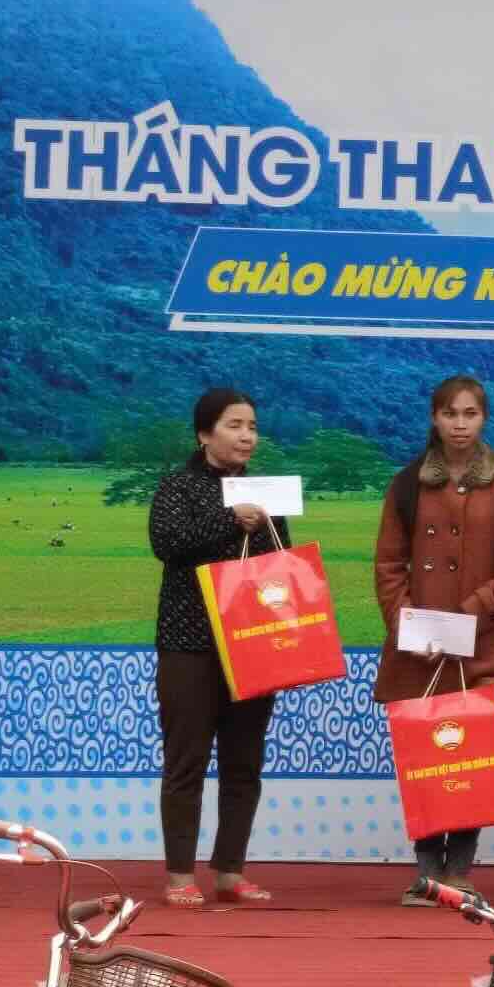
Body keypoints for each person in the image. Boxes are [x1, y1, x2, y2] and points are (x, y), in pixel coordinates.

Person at [373, 375, 494, 906]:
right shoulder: (405, 485)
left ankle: (459, 872)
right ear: (434, 418)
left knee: (469, 756)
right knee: (425, 757)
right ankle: (426, 873)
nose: (459, 424)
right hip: (418, 650)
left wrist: (463, 619)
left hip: (481, 646)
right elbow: (388, 568)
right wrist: (409, 629)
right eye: (449, 414)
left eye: (470, 414)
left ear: (484, 419)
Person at [148, 387, 285, 908]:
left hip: (254, 644)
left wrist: (263, 525)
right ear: (204, 433)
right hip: (190, 643)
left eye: (251, 425)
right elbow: (168, 544)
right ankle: (180, 873)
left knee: (244, 760)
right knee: (186, 760)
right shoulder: (178, 487)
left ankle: (230, 870)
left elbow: (281, 561)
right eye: (233, 425)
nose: (246, 435)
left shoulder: (265, 490)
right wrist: (232, 520)